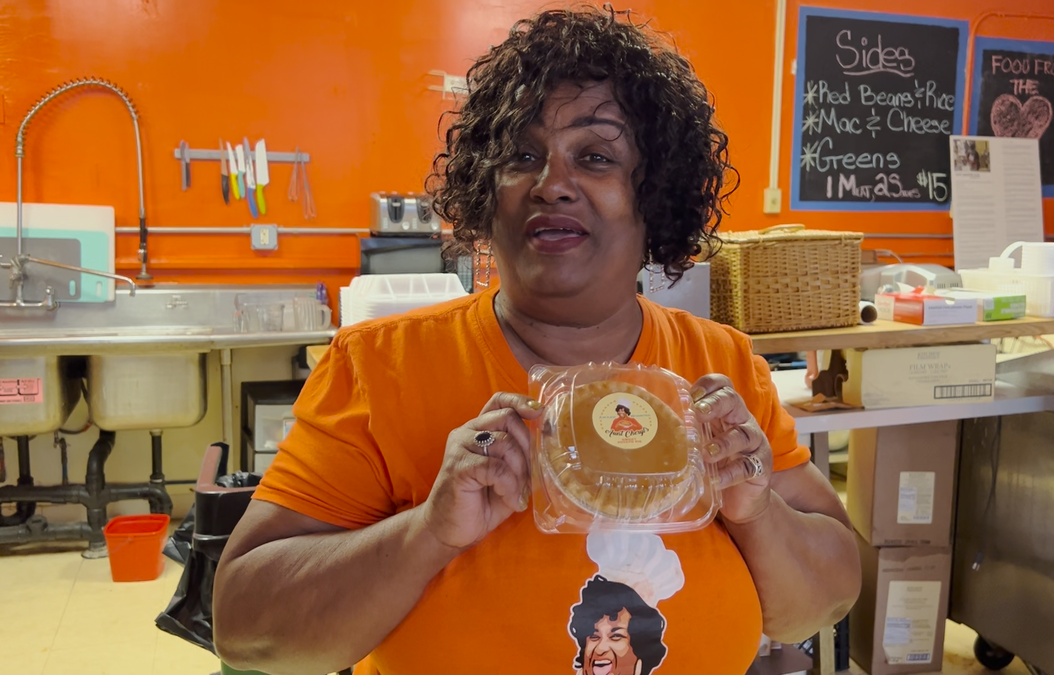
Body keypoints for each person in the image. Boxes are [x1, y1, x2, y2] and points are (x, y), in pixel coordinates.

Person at [212, 7, 859, 675]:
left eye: (597, 157)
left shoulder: (719, 368)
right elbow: (246, 630)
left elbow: (823, 599)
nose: (551, 183)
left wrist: (758, 514)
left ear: (655, 196)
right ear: (486, 192)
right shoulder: (381, 367)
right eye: (522, 155)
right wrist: (427, 531)